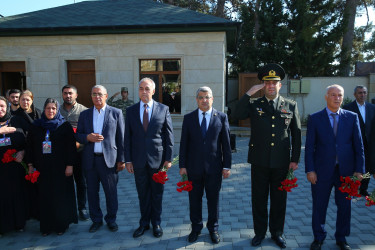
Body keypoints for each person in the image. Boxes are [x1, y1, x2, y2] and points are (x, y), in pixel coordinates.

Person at [233, 63, 301, 248]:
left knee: (279, 200)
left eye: (275, 83)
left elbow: (296, 133)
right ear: (263, 85)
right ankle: (260, 233)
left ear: (280, 85)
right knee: (259, 199)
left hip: (281, 162)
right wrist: (249, 93)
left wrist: (294, 159)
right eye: (267, 83)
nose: (271, 86)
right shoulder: (255, 104)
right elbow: (237, 113)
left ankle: (277, 233)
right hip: (260, 161)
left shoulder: (290, 105)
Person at [305, 84, 364, 250]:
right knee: (319, 206)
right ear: (326, 97)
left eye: (339, 95)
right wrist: (310, 170)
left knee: (345, 206)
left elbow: (359, 147)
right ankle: (318, 237)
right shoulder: (315, 118)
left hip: (346, 172)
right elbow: (310, 147)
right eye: (333, 95)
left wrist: (359, 169)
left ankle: (341, 238)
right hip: (321, 171)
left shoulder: (351, 117)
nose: (336, 98)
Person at [179, 86, 231, 244]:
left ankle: (213, 228)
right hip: (193, 168)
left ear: (212, 99)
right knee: (194, 200)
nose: (204, 100)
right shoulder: (188, 118)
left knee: (213, 200)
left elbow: (226, 145)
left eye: (207, 97)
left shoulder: (221, 117)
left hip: (214, 168)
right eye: (201, 97)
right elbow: (184, 145)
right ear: (196, 100)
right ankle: (196, 228)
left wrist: (227, 166)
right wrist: (182, 166)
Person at [125, 77, 174, 238]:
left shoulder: (163, 109)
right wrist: (128, 160)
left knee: (157, 193)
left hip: (158, 161)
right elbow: (127, 137)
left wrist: (168, 159)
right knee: (142, 193)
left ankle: (156, 224)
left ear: (153, 91)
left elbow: (168, 137)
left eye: (147, 89)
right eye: (141, 88)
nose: (144, 91)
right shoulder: (131, 111)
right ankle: (144, 223)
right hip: (138, 161)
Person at [76, 85, 125, 233]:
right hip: (90, 160)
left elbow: (121, 138)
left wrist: (121, 159)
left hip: (109, 161)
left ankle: (111, 220)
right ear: (91, 96)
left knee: (111, 193)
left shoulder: (116, 113)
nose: (97, 97)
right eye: (94, 94)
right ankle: (96, 220)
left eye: (100, 94)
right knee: (92, 192)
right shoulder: (85, 114)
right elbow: (78, 135)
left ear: (106, 95)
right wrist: (87, 137)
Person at [25, 98, 78, 236]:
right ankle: (46, 227)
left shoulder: (64, 126)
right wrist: (30, 164)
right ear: (44, 109)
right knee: (44, 197)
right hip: (42, 169)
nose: (51, 111)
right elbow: (29, 146)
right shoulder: (36, 125)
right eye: (48, 108)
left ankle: (61, 225)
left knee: (59, 197)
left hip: (60, 169)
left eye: (53, 108)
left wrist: (70, 165)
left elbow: (71, 148)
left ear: (57, 109)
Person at [60, 85, 89, 221]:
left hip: (79, 152)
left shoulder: (84, 111)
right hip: (61, 154)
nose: (68, 96)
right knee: (63, 182)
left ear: (76, 95)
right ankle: (65, 208)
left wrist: (80, 142)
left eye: (71, 93)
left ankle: (82, 207)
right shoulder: (56, 110)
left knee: (81, 182)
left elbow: (88, 133)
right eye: (65, 93)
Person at [0, 96, 28, 235]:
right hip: (0, 168)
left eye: (2, 106)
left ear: (7, 106)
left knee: (17, 194)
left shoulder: (16, 120)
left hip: (16, 166)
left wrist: (22, 152)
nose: (0, 109)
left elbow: (28, 138)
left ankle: (19, 223)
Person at [13, 90, 41, 220]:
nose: (25, 102)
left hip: (40, 151)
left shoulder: (38, 113)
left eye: (28, 99)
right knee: (28, 184)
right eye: (22, 99)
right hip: (25, 152)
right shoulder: (15, 117)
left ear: (32, 100)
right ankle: (31, 211)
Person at [343, 85, 375, 197]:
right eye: (360, 93)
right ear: (355, 94)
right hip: (353, 143)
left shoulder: (372, 108)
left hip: (369, 143)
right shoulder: (347, 108)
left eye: (364, 92)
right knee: (353, 165)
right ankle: (350, 187)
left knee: (367, 167)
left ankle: (363, 189)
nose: (362, 95)